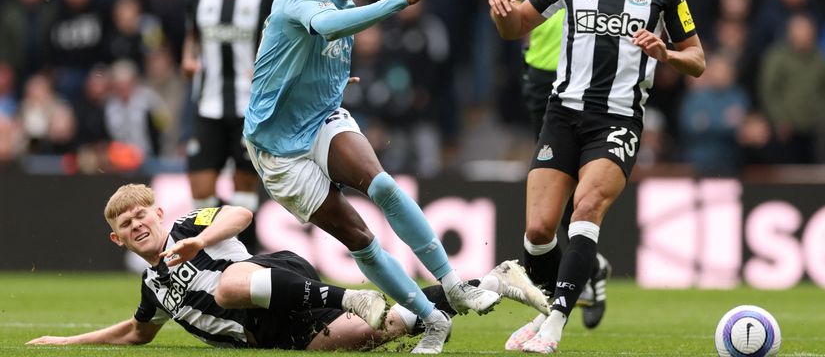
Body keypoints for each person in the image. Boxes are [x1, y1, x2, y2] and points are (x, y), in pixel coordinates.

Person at [242, 0, 513, 354]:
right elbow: (327, 27)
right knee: (362, 238)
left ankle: (455, 284)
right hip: (277, 150)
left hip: (321, 118)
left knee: (383, 184)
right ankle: (432, 318)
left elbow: (306, 49)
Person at [489, 0, 705, 353]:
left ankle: (553, 328)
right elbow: (517, 27)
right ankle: (552, 308)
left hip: (618, 119)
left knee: (585, 212)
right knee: (538, 232)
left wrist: (665, 54)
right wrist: (503, 11)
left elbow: (698, 60)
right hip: (562, 113)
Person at [26, 184, 548, 351]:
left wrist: (203, 239)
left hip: (275, 276)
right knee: (389, 328)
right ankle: (495, 283)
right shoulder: (151, 284)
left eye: (143, 214)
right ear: (117, 238)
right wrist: (66, 344)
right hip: (275, 332)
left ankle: (351, 296)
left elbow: (242, 213)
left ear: (158, 213)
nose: (138, 225)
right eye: (127, 224)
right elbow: (137, 333)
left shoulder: (187, 226)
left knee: (227, 286)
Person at [495, 0, 646, 330]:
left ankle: (571, 283)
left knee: (584, 199)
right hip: (548, 80)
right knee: (554, 199)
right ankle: (589, 269)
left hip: (608, 93)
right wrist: (504, 1)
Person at [181, 0, 281, 251]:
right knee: (201, 192)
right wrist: (188, 58)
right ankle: (208, 261)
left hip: (249, 109)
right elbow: (191, 39)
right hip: (206, 105)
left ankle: (243, 260)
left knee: (243, 194)